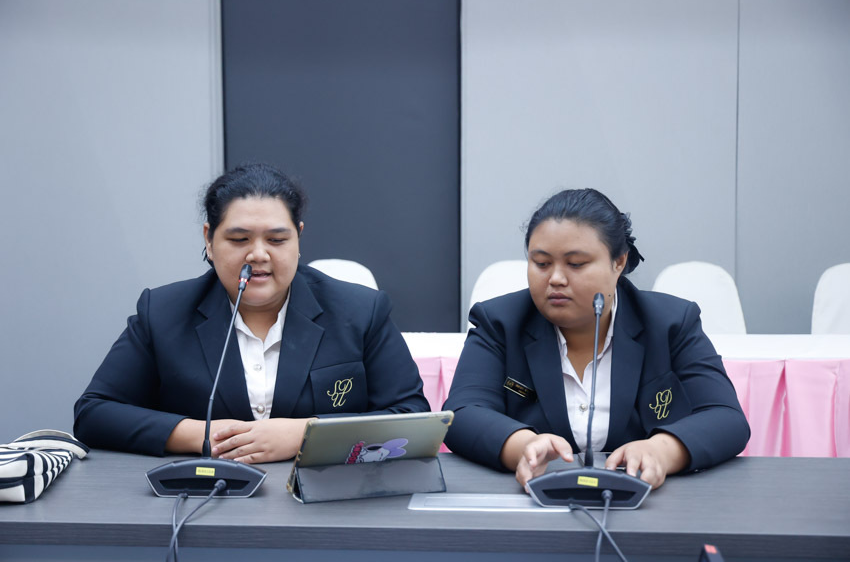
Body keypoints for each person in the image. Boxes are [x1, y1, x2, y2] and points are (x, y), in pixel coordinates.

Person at [74, 163, 429, 463]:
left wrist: (304, 434)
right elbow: (94, 413)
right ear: (209, 240)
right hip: (204, 496)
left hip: (327, 500)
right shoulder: (163, 312)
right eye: (239, 239)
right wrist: (203, 435)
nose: (258, 255)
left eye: (276, 240)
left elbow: (412, 416)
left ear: (298, 238)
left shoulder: (360, 311)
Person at [442, 189, 749, 490]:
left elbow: (726, 418)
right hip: (533, 502)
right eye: (542, 263)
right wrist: (524, 446)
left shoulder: (670, 322)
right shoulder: (500, 322)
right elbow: (462, 414)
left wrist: (661, 451)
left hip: (644, 500)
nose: (556, 278)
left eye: (576, 264)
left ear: (619, 262)